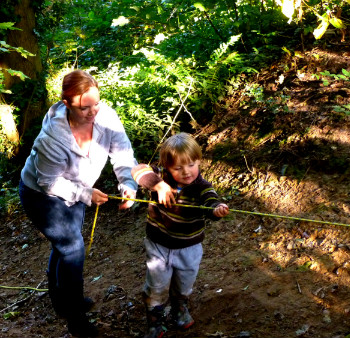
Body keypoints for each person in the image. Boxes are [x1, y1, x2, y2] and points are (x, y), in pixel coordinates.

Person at [19, 69, 138, 337]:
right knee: (72, 247)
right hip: (41, 195)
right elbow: (48, 182)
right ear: (66, 104)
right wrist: (86, 194)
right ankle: (75, 319)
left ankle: (61, 301)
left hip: (75, 191)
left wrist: (128, 185)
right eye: (85, 107)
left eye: (96, 102)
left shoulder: (105, 116)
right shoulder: (53, 137)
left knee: (65, 244)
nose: (93, 110)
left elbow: (122, 153)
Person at [131, 132, 229, 338]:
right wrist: (157, 185)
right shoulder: (161, 178)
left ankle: (179, 308)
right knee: (157, 284)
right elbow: (137, 169)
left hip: (189, 247)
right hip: (158, 244)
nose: (186, 172)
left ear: (199, 162)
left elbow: (211, 202)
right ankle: (154, 320)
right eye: (178, 168)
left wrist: (217, 209)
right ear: (167, 167)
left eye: (192, 165)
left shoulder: (202, 187)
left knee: (184, 282)